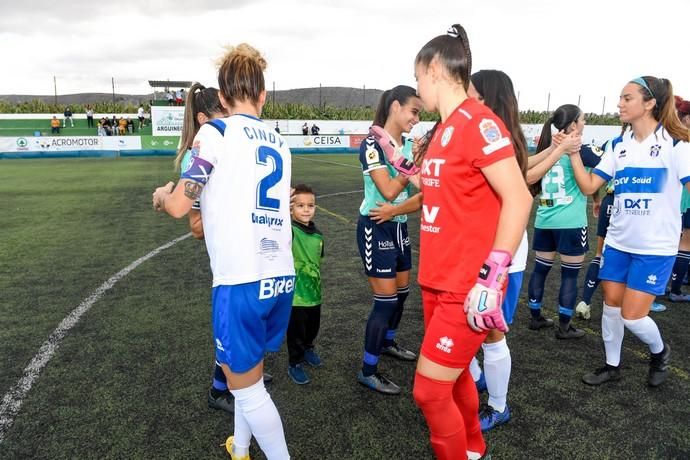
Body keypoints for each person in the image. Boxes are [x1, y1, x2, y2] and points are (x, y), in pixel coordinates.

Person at [152, 43, 293, 460]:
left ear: (224, 97)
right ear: (263, 96)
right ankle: (241, 448)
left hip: (240, 280)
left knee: (247, 392)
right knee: (251, 379)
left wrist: (162, 195)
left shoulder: (214, 133)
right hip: (279, 276)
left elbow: (180, 205)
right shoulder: (280, 142)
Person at [411, 25, 532, 460]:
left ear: (435, 69)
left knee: (428, 391)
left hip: (466, 285)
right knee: (456, 376)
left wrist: (491, 276)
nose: (418, 87)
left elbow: (518, 196)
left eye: (419, 76)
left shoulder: (479, 121)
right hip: (437, 279)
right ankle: (473, 447)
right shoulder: (443, 129)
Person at [568, 76, 690, 387]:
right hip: (619, 243)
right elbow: (589, 187)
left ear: (650, 103)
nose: (620, 104)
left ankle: (660, 351)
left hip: (655, 248)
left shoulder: (677, 145)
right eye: (620, 98)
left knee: (632, 316)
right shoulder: (617, 145)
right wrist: (572, 154)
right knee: (610, 304)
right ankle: (612, 365)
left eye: (627, 98)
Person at [355, 85, 422, 395]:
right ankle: (368, 370)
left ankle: (387, 342)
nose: (416, 119)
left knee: (403, 293)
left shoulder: (404, 144)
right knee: (386, 301)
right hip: (376, 225)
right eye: (414, 111)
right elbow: (389, 192)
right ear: (396, 107)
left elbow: (422, 189)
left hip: (397, 225)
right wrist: (413, 162)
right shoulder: (373, 143)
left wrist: (416, 158)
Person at [525, 104, 603, 339]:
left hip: (544, 220)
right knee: (569, 274)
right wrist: (598, 199)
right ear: (572, 126)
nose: (585, 125)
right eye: (583, 120)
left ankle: (536, 317)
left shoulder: (547, 148)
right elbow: (600, 173)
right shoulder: (582, 150)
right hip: (571, 222)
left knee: (540, 270)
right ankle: (564, 326)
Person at [286, 184, 325, 385]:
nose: (306, 209)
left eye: (310, 205)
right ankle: (295, 362)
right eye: (300, 205)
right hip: (295, 296)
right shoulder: (289, 231)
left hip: (314, 292)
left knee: (312, 327)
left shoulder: (318, 234)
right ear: (291, 208)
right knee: (296, 332)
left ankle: (309, 348)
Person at [667, 96, 690, 302]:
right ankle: (674, 290)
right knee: (685, 243)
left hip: (677, 199)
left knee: (678, 241)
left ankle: (669, 285)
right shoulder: (683, 140)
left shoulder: (669, 136)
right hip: (684, 198)